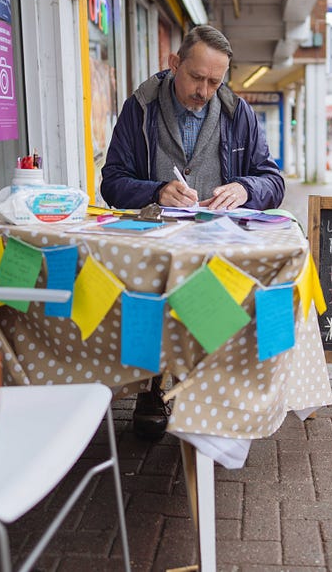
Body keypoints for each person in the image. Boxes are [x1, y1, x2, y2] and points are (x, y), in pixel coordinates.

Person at [101, 24, 285, 440]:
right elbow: (111, 182)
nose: (204, 91)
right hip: (156, 240)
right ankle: (152, 387)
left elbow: (273, 181)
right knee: (153, 307)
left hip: (217, 241)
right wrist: (156, 190)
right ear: (174, 64)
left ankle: (206, 388)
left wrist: (246, 187)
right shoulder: (141, 108)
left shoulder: (238, 113)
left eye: (214, 81)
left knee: (216, 308)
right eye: (196, 78)